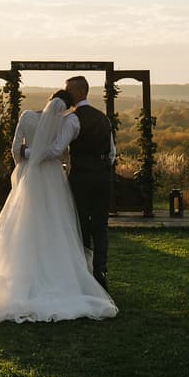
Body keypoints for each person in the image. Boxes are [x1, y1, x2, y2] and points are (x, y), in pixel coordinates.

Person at [0, 90, 117, 323]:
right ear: (65, 107)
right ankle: (65, 275)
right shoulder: (67, 121)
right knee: (56, 223)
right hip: (54, 178)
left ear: (49, 100)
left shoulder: (26, 117)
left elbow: (15, 150)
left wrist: (24, 164)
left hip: (30, 177)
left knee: (23, 224)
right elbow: (60, 151)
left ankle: (20, 275)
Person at [58, 75, 115, 290]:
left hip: (81, 176)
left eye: (69, 91)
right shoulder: (104, 118)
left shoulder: (73, 119)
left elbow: (59, 149)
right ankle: (100, 272)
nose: (66, 95)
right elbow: (112, 153)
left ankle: (84, 273)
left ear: (80, 92)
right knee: (101, 226)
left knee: (80, 224)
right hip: (102, 177)